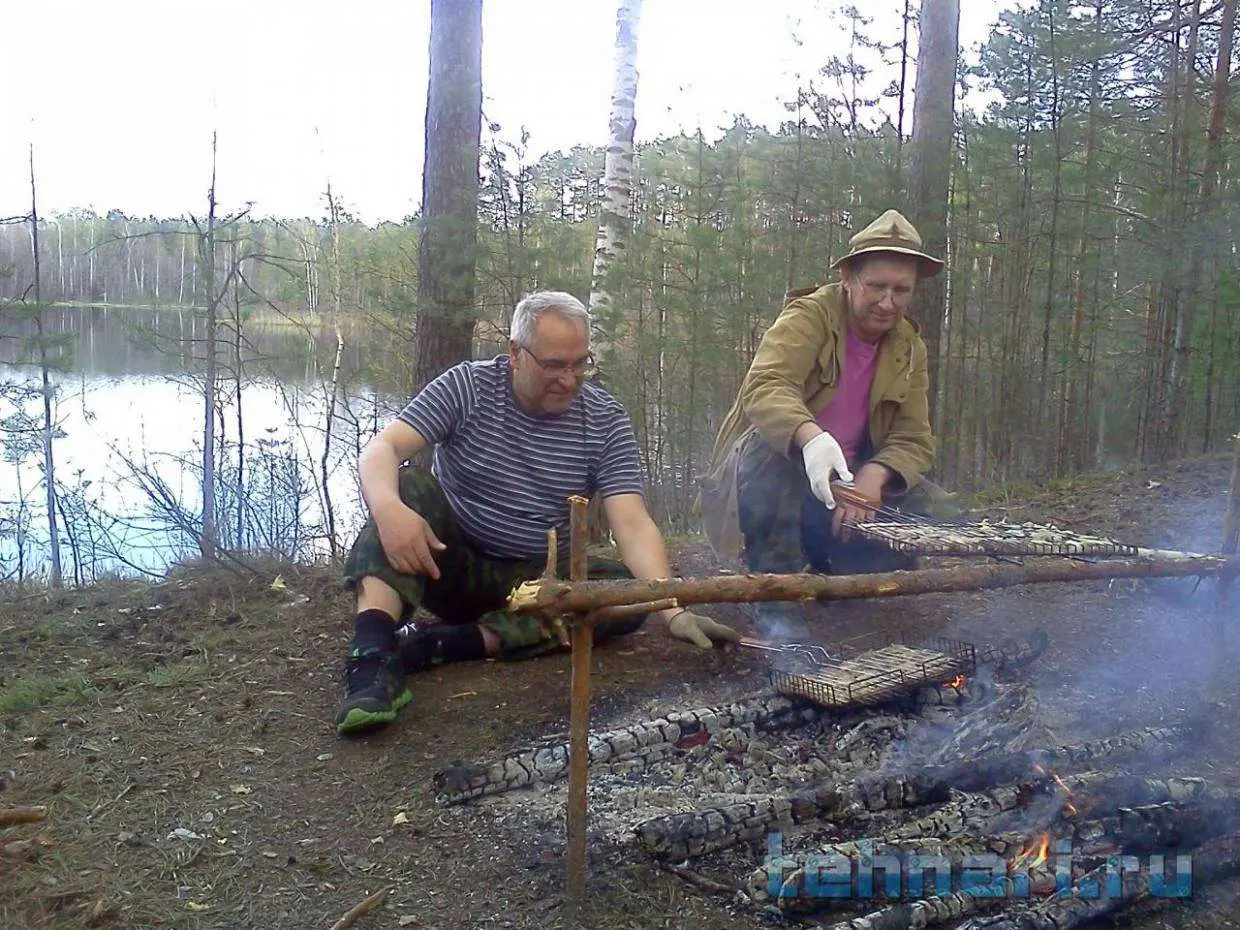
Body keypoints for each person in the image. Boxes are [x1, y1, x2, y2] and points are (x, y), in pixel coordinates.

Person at [335, 290, 741, 735]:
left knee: (622, 594)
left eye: (580, 364)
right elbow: (383, 448)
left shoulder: (605, 419)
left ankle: (439, 645)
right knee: (406, 486)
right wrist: (388, 508)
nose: (569, 380)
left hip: (540, 583)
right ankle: (370, 657)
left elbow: (632, 523)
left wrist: (673, 608)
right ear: (515, 353)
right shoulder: (467, 386)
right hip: (446, 562)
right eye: (553, 365)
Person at [700, 209, 941, 581]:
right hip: (788, 469)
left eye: (901, 290)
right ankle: (777, 585)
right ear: (848, 278)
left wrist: (875, 475)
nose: (887, 302)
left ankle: (851, 573)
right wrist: (811, 440)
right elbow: (766, 386)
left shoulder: (909, 346)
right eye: (876, 286)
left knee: (929, 504)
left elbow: (914, 437)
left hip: (852, 476)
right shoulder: (808, 316)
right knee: (766, 454)